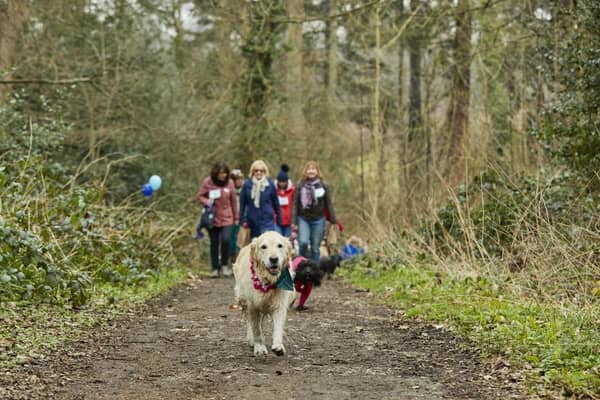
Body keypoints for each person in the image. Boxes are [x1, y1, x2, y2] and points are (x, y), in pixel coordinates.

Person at [196, 162, 239, 278]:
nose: (223, 175)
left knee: (226, 240)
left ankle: (224, 265)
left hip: (227, 217)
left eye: (225, 173)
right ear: (216, 173)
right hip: (213, 218)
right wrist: (207, 202)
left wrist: (236, 218)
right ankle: (215, 268)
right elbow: (199, 196)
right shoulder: (208, 182)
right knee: (214, 243)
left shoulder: (230, 183)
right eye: (220, 173)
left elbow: (234, 201)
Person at [291, 160, 337, 263]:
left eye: (313, 169)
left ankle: (315, 270)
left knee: (315, 247)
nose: (311, 171)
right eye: (309, 169)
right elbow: (295, 204)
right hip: (303, 219)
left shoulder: (324, 185)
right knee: (302, 243)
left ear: (317, 171)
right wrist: (293, 222)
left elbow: (328, 203)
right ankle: (300, 266)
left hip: (319, 220)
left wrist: (333, 220)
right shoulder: (300, 185)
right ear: (305, 171)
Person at [239, 160, 282, 239]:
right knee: (255, 246)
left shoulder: (270, 184)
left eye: (261, 171)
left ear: (264, 172)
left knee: (266, 243)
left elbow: (276, 203)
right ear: (253, 172)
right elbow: (242, 204)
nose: (259, 172)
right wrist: (242, 220)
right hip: (252, 222)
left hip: (267, 221)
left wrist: (279, 219)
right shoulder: (247, 185)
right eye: (256, 170)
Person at [229, 169, 245, 264]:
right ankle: (231, 260)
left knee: (240, 242)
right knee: (231, 242)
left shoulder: (245, 190)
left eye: (241, 179)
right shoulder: (229, 191)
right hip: (230, 219)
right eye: (237, 179)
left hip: (242, 219)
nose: (239, 181)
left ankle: (238, 262)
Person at [274, 164, 295, 238]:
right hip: (276, 221)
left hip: (288, 222)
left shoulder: (292, 191)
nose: (282, 184)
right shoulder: (274, 191)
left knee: (287, 241)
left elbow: (294, 206)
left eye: (284, 182)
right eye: (280, 182)